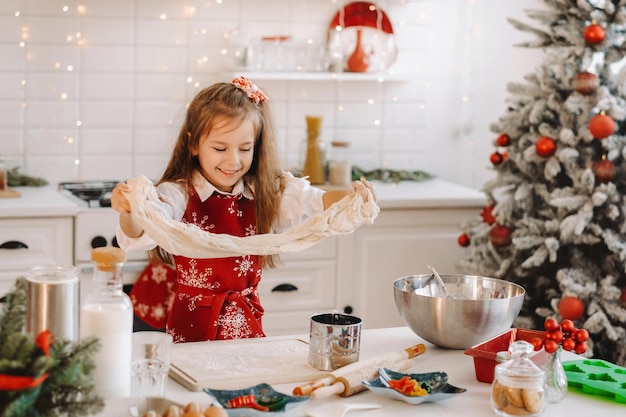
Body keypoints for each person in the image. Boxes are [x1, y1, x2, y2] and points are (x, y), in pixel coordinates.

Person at [111, 76, 377, 343]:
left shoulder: (267, 193)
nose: (233, 160)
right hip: (191, 328)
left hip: (246, 324)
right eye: (219, 148)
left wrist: (350, 196)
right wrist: (129, 211)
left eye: (245, 148)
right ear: (193, 144)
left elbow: (316, 201)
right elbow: (141, 231)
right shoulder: (177, 194)